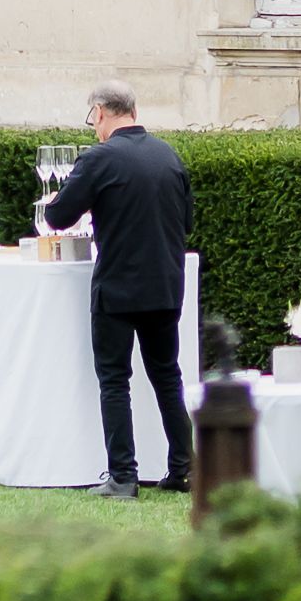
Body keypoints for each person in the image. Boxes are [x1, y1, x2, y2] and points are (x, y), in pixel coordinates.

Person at [35, 84, 194, 496]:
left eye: (93, 119)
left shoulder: (99, 159)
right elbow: (186, 221)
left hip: (118, 289)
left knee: (114, 381)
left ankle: (123, 475)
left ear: (101, 112)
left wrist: (63, 197)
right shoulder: (169, 156)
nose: (94, 128)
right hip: (164, 286)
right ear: (135, 110)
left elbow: (57, 216)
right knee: (167, 378)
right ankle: (184, 469)